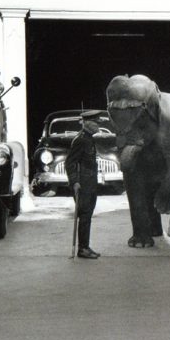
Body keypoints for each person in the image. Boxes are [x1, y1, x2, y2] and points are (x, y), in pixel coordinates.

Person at [65, 110, 101, 259]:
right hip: (83, 185)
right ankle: (82, 249)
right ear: (87, 123)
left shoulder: (89, 138)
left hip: (91, 183)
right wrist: (75, 182)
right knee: (85, 216)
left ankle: (85, 246)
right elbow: (70, 163)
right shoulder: (80, 140)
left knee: (88, 215)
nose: (98, 125)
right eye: (96, 122)